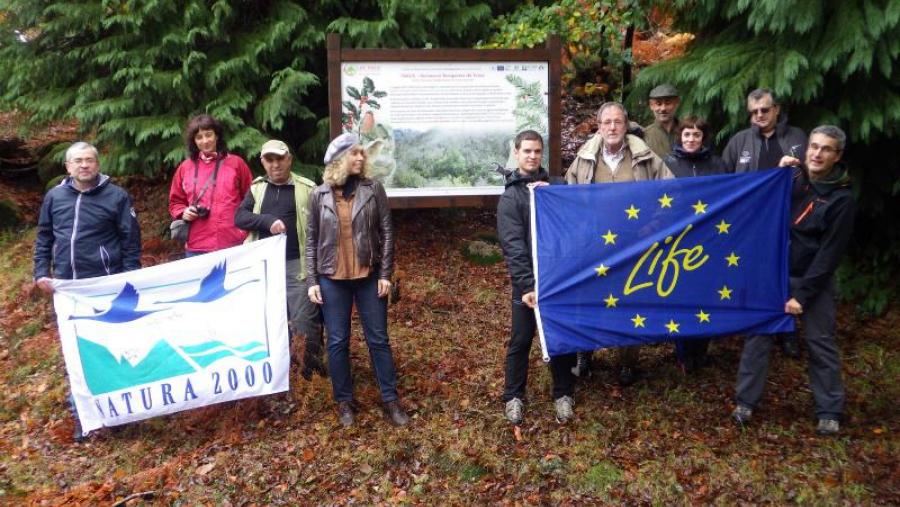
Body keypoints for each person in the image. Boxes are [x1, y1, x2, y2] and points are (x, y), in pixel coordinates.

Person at [731, 125, 855, 436]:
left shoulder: (841, 199)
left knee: (820, 342)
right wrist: (777, 174)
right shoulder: (794, 180)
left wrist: (803, 296)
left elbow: (829, 255)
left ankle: (829, 410)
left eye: (826, 149)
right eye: (814, 146)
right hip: (775, 275)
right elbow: (763, 206)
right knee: (758, 336)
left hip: (814, 280)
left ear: (837, 156)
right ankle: (745, 401)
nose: (817, 153)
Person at [33, 141, 142, 440]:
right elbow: (44, 236)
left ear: (98, 164)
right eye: (78, 161)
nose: (84, 165)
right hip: (68, 288)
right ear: (68, 166)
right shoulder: (55, 197)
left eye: (89, 160)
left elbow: (131, 241)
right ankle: (85, 417)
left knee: (109, 349)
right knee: (77, 354)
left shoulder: (117, 197)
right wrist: (41, 271)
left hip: (104, 287)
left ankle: (120, 414)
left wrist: (128, 281)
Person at [566, 101, 674, 385]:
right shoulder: (584, 158)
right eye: (606, 122)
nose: (612, 127)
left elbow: (672, 193)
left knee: (631, 299)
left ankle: (628, 361)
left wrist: (653, 227)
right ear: (598, 127)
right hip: (593, 246)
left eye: (618, 122)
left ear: (626, 125)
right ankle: (585, 354)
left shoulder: (646, 156)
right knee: (589, 299)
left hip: (634, 245)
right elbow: (568, 198)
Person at [306, 132, 409, 427]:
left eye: (362, 153)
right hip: (331, 277)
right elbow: (312, 239)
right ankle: (344, 402)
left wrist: (386, 274)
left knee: (378, 339)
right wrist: (313, 279)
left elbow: (387, 233)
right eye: (354, 153)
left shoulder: (373, 189)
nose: (361, 158)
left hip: (368, 274)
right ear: (339, 159)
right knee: (337, 341)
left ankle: (390, 400)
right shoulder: (319, 194)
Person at [497, 130, 578, 425]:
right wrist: (526, 286)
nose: (532, 156)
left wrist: (555, 196)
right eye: (527, 151)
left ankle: (563, 394)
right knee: (521, 339)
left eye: (537, 151)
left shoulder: (555, 186)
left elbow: (575, 220)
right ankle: (513, 396)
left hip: (558, 280)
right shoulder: (510, 197)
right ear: (517, 153)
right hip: (530, 285)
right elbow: (513, 246)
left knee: (560, 338)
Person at [723, 89, 806, 358]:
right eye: (754, 111)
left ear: (777, 109)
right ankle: (755, 325)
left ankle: (787, 331)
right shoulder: (739, 141)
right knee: (754, 276)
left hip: (791, 220)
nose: (760, 115)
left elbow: (810, 177)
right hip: (752, 226)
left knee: (785, 276)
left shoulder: (797, 138)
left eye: (765, 110)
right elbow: (725, 182)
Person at [235, 139, 325, 380]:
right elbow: (240, 217)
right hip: (264, 267)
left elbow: (326, 224)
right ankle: (279, 376)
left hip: (299, 266)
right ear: (263, 162)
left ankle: (310, 376)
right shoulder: (257, 188)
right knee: (271, 323)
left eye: (280, 159)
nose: (275, 165)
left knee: (304, 322)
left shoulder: (307, 188)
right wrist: (267, 221)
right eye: (269, 160)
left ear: (289, 159)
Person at [663, 117, 729, 371]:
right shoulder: (668, 164)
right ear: (680, 136)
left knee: (706, 295)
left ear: (704, 138)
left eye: (696, 135)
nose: (691, 139)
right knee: (681, 295)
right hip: (678, 241)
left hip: (709, 240)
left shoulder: (717, 164)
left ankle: (700, 350)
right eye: (687, 134)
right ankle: (682, 353)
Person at [169, 114, 252, 256]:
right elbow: (175, 202)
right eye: (199, 137)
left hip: (233, 242)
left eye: (209, 135)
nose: (205, 141)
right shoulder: (185, 168)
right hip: (197, 245)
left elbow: (252, 199)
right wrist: (183, 212)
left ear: (217, 136)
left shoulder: (236, 164)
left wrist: (246, 232)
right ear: (193, 141)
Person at [643, 84, 681, 158]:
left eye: (668, 103)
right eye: (658, 104)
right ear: (651, 105)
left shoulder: (687, 133)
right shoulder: (645, 136)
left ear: (677, 103)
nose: (663, 108)